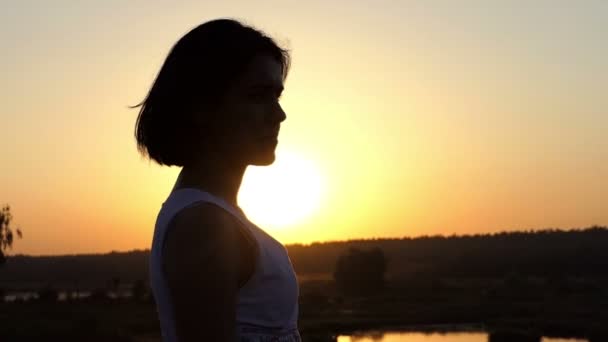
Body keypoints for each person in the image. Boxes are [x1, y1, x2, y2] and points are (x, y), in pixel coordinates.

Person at [134, 19, 300, 341]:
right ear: (202, 107)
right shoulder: (204, 224)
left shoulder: (216, 216)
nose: (278, 115)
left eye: (277, 96)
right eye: (257, 96)